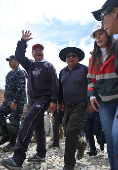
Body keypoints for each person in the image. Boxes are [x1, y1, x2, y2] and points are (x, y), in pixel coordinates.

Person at [1, 30, 58, 170]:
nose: (38, 52)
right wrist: (23, 42)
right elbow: (19, 55)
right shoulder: (30, 65)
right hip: (32, 100)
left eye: (40, 50)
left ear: (43, 52)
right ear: (32, 53)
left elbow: (54, 84)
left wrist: (53, 101)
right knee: (38, 126)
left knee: (27, 120)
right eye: (36, 50)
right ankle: (41, 153)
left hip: (43, 99)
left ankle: (17, 159)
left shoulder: (48, 66)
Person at [87, 22, 118, 170]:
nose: (98, 37)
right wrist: (91, 97)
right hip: (103, 104)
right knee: (110, 140)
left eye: (100, 33)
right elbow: (90, 79)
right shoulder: (93, 58)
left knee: (117, 136)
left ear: (107, 33)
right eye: (95, 35)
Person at [59, 47, 88, 170]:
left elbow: (92, 84)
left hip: (80, 106)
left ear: (78, 58)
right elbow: (60, 88)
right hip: (66, 107)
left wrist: (91, 101)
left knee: (71, 131)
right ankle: (81, 144)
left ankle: (69, 164)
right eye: (68, 56)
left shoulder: (84, 69)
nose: (71, 57)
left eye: (73, 55)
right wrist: (59, 102)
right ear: (66, 59)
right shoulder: (62, 72)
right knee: (68, 132)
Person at [0, 55, 26, 152]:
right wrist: (5, 100)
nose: (10, 62)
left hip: (17, 102)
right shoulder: (9, 74)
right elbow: (7, 89)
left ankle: (13, 143)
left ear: (17, 62)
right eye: (9, 61)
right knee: (0, 114)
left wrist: (16, 101)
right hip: (7, 101)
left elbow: (21, 87)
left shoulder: (20, 72)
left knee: (14, 121)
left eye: (12, 60)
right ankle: (6, 135)